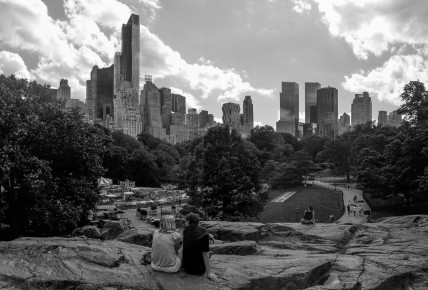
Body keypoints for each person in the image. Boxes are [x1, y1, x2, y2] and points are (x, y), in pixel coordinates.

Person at [182, 213, 219, 282]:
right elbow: (205, 253)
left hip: (186, 268)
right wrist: (209, 273)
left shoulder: (185, 231)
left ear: (188, 221)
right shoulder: (203, 233)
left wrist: (208, 234)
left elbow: (196, 231)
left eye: (185, 221)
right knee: (208, 252)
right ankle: (209, 257)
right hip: (198, 270)